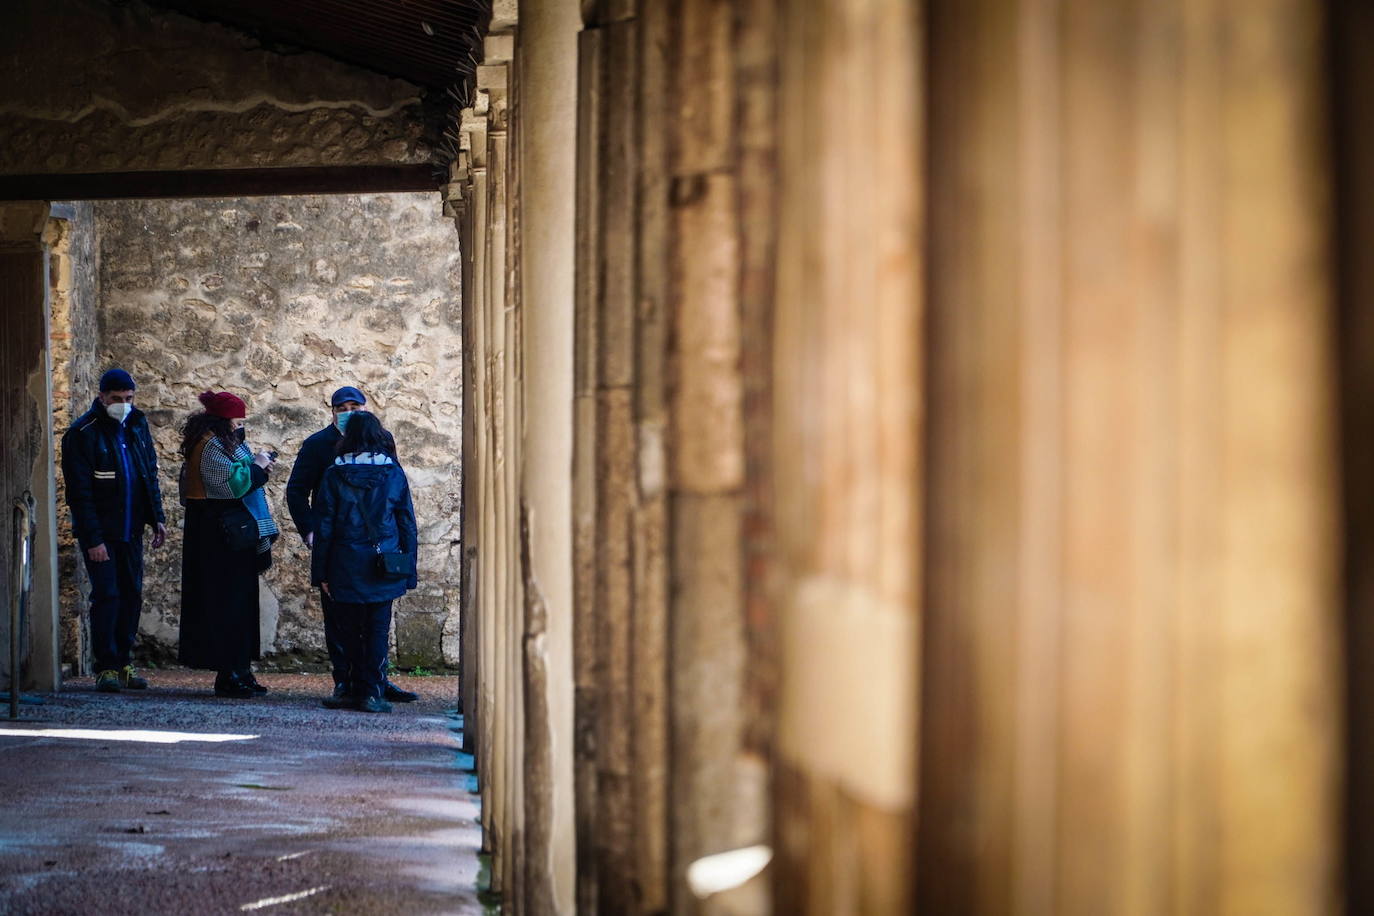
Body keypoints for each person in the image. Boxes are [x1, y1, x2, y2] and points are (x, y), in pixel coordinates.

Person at [286, 386, 417, 703]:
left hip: (350, 549)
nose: (349, 412)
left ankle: (374, 682)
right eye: (342, 407)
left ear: (365, 408)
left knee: (369, 623)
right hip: (346, 546)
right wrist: (310, 532)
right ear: (332, 411)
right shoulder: (318, 446)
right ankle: (348, 683)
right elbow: (297, 491)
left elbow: (393, 501)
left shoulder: (381, 448)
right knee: (346, 624)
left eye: (354, 406)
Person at [60, 368, 168, 693]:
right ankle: (106, 666)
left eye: (129, 399)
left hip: (131, 529)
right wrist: (93, 539)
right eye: (117, 399)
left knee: (131, 594)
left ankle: (124, 662)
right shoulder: (83, 434)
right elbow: (80, 493)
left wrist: (157, 517)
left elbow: (148, 472)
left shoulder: (136, 425)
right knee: (107, 595)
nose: (123, 405)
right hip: (103, 533)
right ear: (102, 397)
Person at [177, 390, 278, 699]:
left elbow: (242, 474)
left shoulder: (224, 441)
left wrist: (258, 467)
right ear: (220, 420)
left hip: (234, 533)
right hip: (217, 535)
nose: (238, 425)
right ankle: (229, 672)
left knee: (242, 603)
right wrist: (259, 467)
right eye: (235, 420)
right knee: (226, 605)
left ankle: (241, 669)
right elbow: (230, 485)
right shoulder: (209, 446)